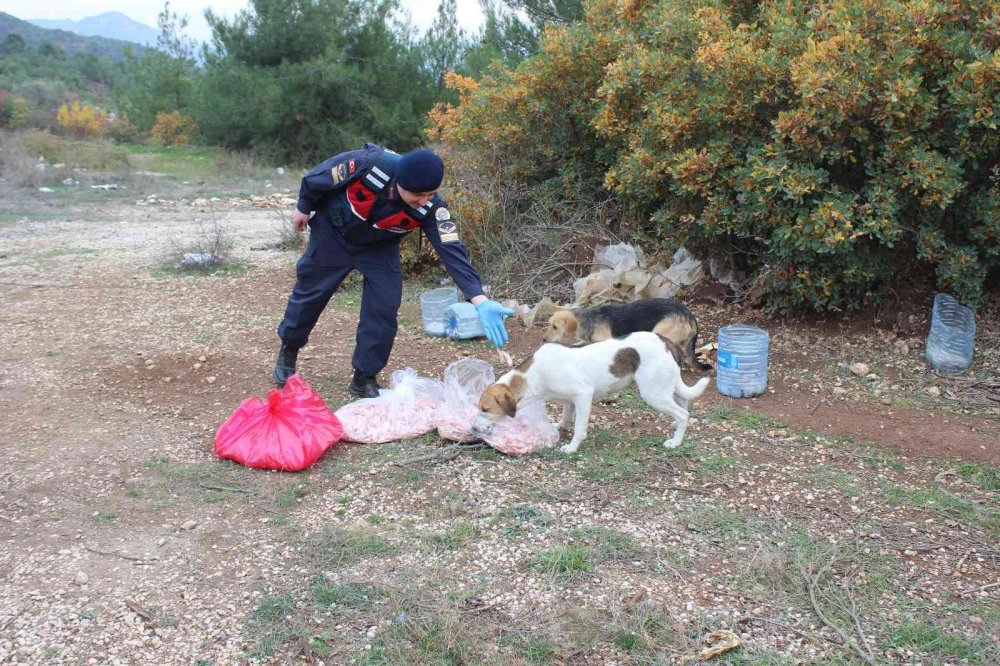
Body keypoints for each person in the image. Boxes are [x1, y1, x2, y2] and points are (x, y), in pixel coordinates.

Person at [273, 143, 514, 398]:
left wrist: (480, 300)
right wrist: (303, 206)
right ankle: (289, 351)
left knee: (384, 306)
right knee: (310, 294)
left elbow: (451, 249)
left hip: (379, 248)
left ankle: (364, 377)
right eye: (417, 195)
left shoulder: (433, 208)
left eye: (430, 194)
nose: (423, 201)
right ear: (398, 182)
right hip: (333, 235)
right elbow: (319, 177)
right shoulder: (370, 164)